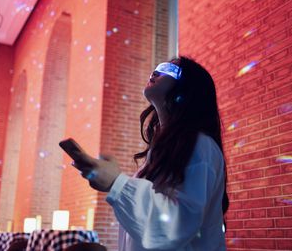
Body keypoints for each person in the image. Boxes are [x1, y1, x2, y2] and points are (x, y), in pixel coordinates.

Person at [70, 56, 229, 250]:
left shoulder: (200, 145)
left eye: (168, 69)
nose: (156, 72)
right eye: (158, 67)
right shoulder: (161, 151)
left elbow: (176, 227)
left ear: (188, 90)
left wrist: (117, 183)